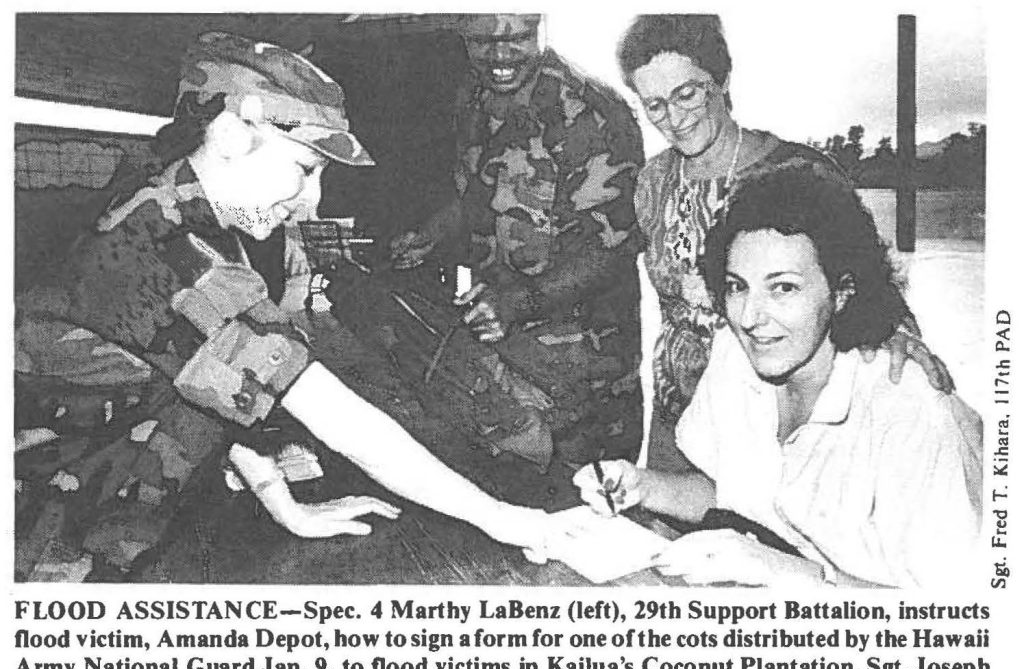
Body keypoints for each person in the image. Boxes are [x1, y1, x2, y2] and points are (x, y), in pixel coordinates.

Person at [14, 31, 568, 574]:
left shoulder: (176, 206)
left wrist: (284, 504)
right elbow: (338, 418)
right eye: (305, 169)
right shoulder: (166, 249)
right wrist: (518, 524)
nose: (311, 203)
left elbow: (210, 383)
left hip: (109, 517)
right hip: (47, 546)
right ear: (230, 133)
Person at [574, 164, 981, 588]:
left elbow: (953, 619)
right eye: (737, 286)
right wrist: (643, 487)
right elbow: (733, 494)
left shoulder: (908, 407)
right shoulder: (735, 354)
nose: (750, 318)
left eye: (783, 288)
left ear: (842, 291)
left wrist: (784, 571)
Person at [616, 14, 952, 470]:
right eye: (654, 105)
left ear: (721, 78)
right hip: (677, 419)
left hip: (778, 420)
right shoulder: (651, 182)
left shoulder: (799, 170)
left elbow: (865, 277)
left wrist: (897, 334)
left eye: (687, 93)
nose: (674, 119)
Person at [382, 14, 646, 506]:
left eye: (518, 38)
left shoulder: (588, 112)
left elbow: (613, 246)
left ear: (541, 25)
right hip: (505, 351)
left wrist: (519, 302)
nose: (501, 56)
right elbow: (481, 191)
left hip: (583, 371)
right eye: (484, 41)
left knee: (591, 511)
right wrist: (431, 234)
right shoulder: (475, 95)